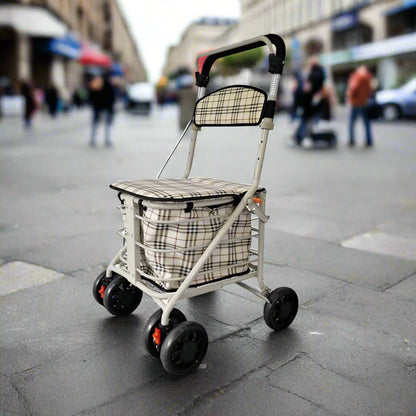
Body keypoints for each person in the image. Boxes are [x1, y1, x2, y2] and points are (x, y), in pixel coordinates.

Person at [295, 58, 326, 145]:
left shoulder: (311, 75)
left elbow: (306, 89)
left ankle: (300, 136)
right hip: (315, 102)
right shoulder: (321, 74)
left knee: (305, 120)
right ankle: (307, 136)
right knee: (311, 121)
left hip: (308, 102)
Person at [346, 65, 374, 147]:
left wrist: (349, 95)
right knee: (366, 123)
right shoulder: (368, 78)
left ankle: (351, 140)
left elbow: (353, 88)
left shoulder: (357, 77)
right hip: (364, 102)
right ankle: (369, 140)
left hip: (356, 102)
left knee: (352, 122)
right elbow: (370, 90)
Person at [88, 74, 116, 147]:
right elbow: (112, 97)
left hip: (99, 108)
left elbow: (91, 97)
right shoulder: (107, 86)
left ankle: (94, 139)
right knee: (106, 125)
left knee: (97, 124)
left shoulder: (96, 85)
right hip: (105, 108)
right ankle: (106, 140)